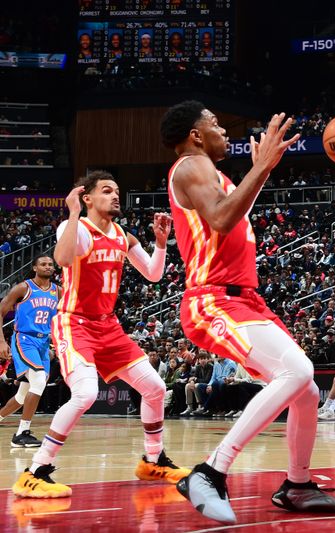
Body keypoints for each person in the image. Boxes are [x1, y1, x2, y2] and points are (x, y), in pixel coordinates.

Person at [161, 100, 335, 523]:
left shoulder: (213, 174)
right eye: (215, 124)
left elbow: (229, 211)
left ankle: (296, 485)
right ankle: (209, 471)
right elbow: (223, 219)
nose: (224, 131)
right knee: (297, 372)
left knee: (306, 391)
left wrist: (265, 169)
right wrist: (260, 167)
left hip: (244, 298)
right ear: (194, 135)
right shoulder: (191, 167)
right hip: (213, 298)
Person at [12, 171, 189, 498]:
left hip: (108, 325)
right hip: (74, 323)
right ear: (88, 198)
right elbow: (63, 259)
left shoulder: (123, 235)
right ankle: (35, 471)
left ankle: (153, 460)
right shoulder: (75, 227)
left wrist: (161, 244)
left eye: (117, 191)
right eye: (107, 191)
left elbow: (152, 274)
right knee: (84, 394)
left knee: (155, 387)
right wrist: (73, 213)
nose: (115, 196)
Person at [0, 255, 60, 448]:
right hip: (25, 339)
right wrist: (1, 341)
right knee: (39, 382)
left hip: (44, 343)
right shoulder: (23, 288)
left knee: (22, 396)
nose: (48, 267)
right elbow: (1, 312)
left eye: (50, 264)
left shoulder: (58, 291)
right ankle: (21, 433)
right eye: (43, 264)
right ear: (35, 267)